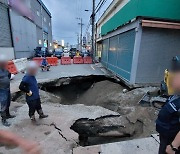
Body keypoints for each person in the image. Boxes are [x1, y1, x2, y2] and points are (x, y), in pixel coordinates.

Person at [156, 56, 180, 154]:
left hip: (173, 144)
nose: (171, 78)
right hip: (165, 138)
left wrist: (173, 147)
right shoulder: (176, 95)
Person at [0, 55, 15, 127]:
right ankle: (3, 119)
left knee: (8, 101)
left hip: (7, 88)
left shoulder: (5, 70)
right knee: (3, 104)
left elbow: (9, 75)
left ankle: (8, 114)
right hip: (2, 90)